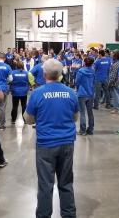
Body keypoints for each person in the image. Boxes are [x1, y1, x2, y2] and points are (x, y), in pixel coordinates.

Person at [24, 59, 79, 218]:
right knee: (66, 182)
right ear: (61, 74)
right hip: (67, 143)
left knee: (45, 185)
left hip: (46, 144)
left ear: (44, 73)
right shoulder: (71, 92)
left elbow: (28, 119)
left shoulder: (37, 93)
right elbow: (75, 117)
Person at [76, 57, 95, 136]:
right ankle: (90, 130)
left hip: (82, 93)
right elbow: (94, 82)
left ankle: (83, 130)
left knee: (82, 113)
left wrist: (77, 89)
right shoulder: (93, 71)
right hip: (90, 93)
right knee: (90, 113)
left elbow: (77, 82)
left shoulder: (80, 71)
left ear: (84, 62)